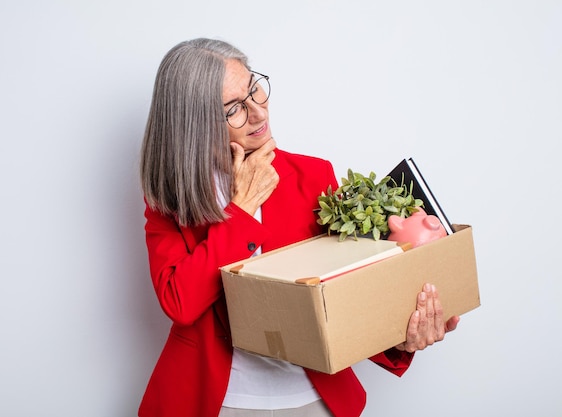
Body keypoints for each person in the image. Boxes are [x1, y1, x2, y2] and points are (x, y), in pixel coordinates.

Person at [138, 38, 460, 417]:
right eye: (234, 109)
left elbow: (347, 298)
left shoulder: (313, 176)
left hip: (312, 399)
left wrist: (402, 338)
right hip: (217, 401)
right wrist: (240, 211)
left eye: (254, 89)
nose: (258, 113)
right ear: (195, 122)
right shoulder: (170, 200)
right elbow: (180, 302)